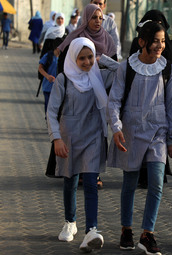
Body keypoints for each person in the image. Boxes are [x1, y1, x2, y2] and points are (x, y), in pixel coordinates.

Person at [107, 21, 172, 255]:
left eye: (163, 41)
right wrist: (116, 127)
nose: (161, 45)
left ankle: (147, 233)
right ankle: (126, 230)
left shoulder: (167, 69)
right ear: (142, 42)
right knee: (129, 184)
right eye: (156, 41)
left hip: (158, 132)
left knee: (156, 183)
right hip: (131, 131)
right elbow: (114, 100)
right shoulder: (125, 68)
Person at [47, 37, 119, 252]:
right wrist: (56, 138)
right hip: (69, 138)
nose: (87, 62)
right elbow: (51, 112)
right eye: (82, 58)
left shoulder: (100, 76)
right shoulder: (63, 79)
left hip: (94, 136)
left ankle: (91, 230)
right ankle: (70, 222)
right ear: (73, 58)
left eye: (90, 57)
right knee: (70, 180)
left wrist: (103, 59)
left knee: (90, 182)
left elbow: (122, 71)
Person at [129, 9, 172, 189]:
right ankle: (141, 174)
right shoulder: (139, 43)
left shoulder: (171, 42)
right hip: (141, 99)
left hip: (165, 94)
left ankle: (158, 173)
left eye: (159, 23)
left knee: (160, 138)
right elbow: (131, 64)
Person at [56, 4, 116, 73]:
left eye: (100, 18)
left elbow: (114, 64)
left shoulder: (107, 39)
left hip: (103, 81)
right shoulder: (77, 37)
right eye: (94, 17)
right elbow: (63, 63)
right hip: (77, 79)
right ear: (86, 18)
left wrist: (102, 61)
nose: (98, 21)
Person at [38, 37, 63, 116]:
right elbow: (40, 68)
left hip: (58, 88)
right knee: (48, 107)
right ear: (57, 47)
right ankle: (48, 122)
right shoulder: (48, 56)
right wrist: (47, 76)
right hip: (48, 87)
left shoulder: (63, 58)